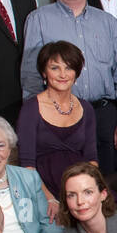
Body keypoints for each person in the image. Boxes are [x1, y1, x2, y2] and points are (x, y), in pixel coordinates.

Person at [21, 0, 117, 173]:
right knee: (65, 184)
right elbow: (31, 75)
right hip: (60, 118)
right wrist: (34, 121)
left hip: (104, 115)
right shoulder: (38, 19)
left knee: (104, 184)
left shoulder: (108, 23)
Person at [18, 40, 99, 194]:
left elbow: (91, 160)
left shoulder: (86, 108)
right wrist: (48, 198)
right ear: (44, 72)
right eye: (55, 68)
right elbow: (27, 166)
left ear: (76, 73)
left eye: (68, 68)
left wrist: (87, 191)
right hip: (44, 188)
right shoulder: (30, 108)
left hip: (80, 185)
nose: (63, 74)